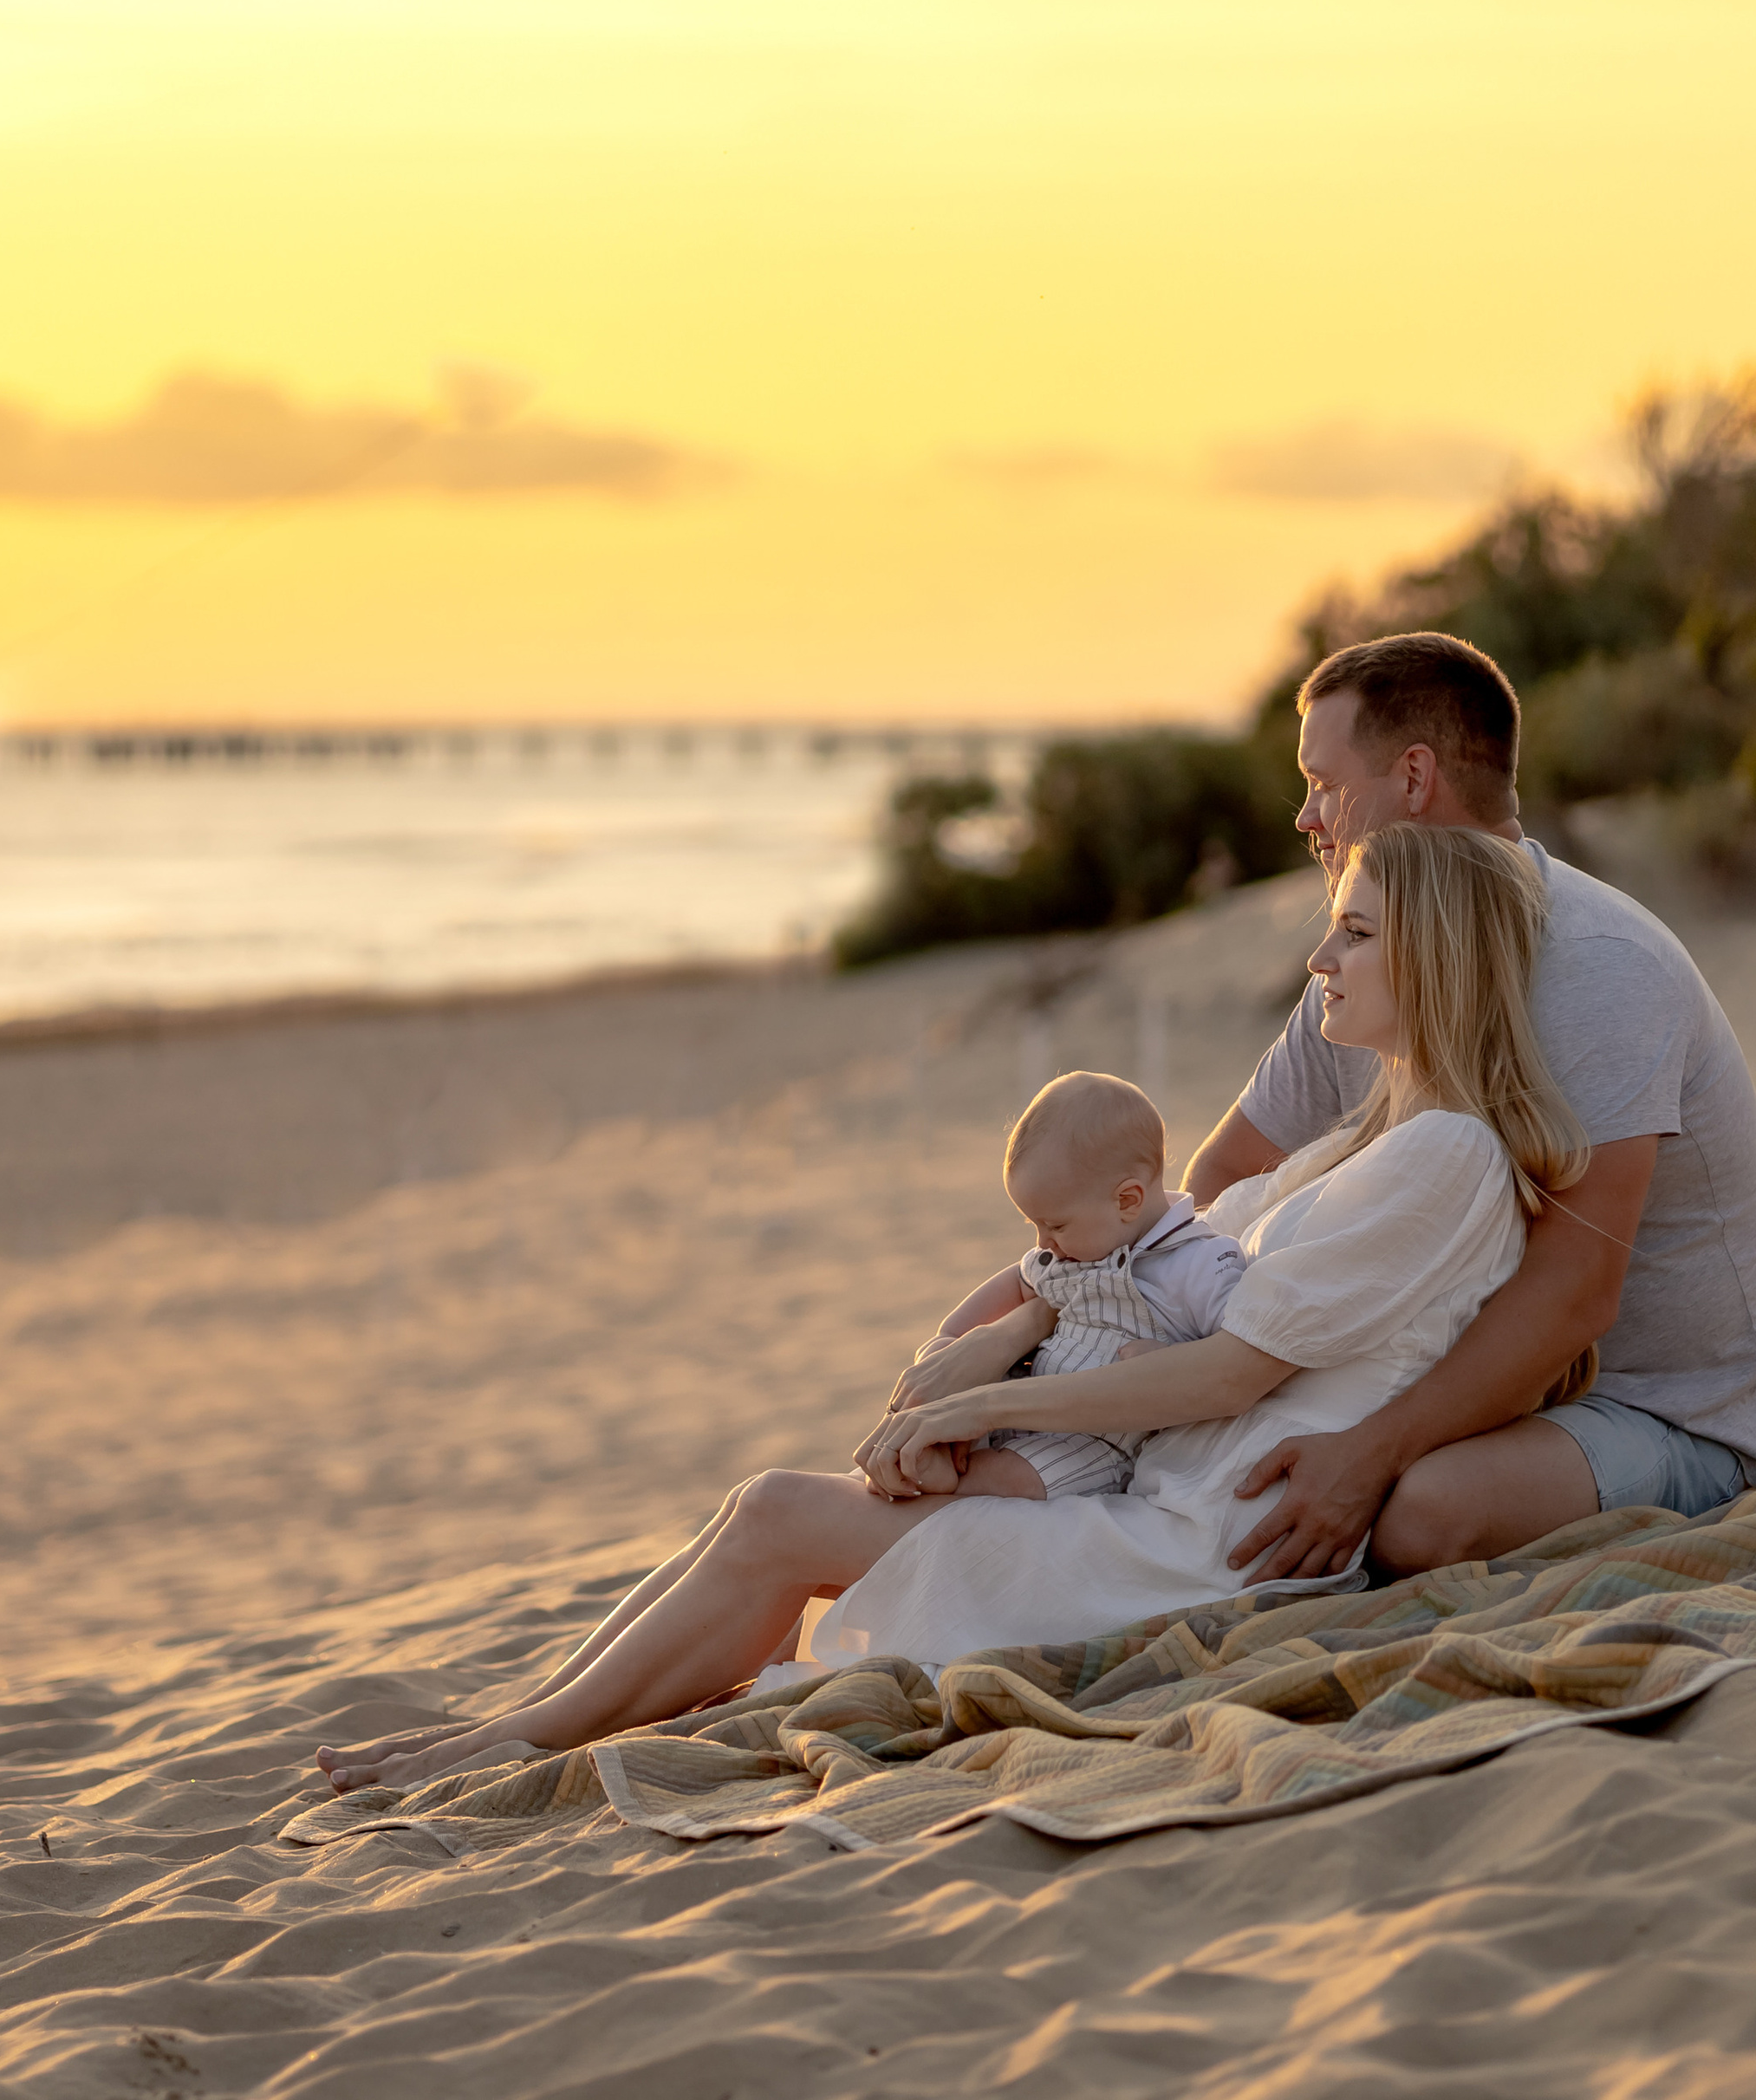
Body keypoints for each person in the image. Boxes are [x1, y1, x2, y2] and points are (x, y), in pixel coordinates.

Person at [317, 823, 1578, 1792]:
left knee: (776, 1515)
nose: (1320, 959)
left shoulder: (1449, 1159)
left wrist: (980, 1404)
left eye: (1354, 933)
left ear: (1439, 954)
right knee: (768, 1510)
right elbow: (1135, 1275)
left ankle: (519, 1738)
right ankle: (536, 1718)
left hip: (1196, 1548)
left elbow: (1226, 1375)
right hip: (1131, 1499)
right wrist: (1004, 1344)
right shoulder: (1349, 1154)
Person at [1185, 632, 1756, 1588]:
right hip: (1460, 1381)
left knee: (1422, 1512)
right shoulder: (1369, 940)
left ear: (1413, 777)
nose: (1305, 816)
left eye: (1325, 783)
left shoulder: (1599, 968)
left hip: (1668, 1408)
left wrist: (1365, 1452)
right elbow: (1225, 1177)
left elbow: (1576, 1290)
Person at [900, 1069, 1247, 1504]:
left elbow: (1234, 1353)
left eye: (1055, 1225)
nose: (1042, 1243)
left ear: (1128, 1200)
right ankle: (940, 1457)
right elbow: (1002, 1295)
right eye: (1035, 1225)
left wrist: (1169, 1360)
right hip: (1019, 1402)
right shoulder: (1069, 1254)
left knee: (1015, 1480)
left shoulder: (1200, 1262)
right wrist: (948, 1346)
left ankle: (946, 1482)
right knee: (968, 1426)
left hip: (1095, 1437)